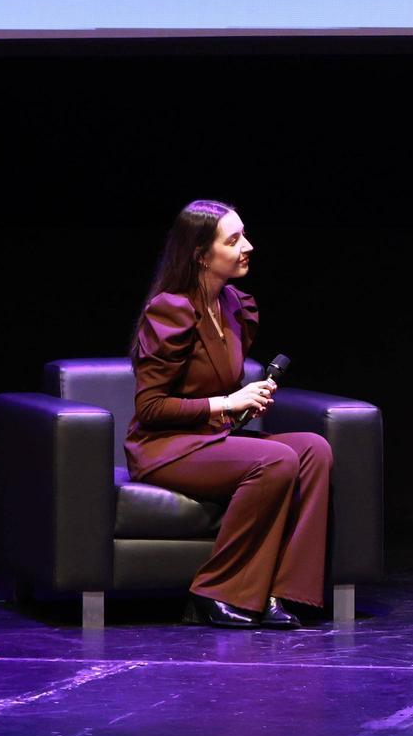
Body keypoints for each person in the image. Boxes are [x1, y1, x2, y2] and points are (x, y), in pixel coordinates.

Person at [125, 200, 333, 629]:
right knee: (276, 459)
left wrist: (245, 400)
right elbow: (150, 407)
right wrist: (227, 402)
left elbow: (220, 390)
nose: (247, 247)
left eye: (244, 235)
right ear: (201, 254)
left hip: (211, 438)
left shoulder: (235, 305)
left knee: (314, 450)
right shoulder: (171, 309)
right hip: (164, 448)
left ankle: (280, 591)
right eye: (233, 240)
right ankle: (212, 591)